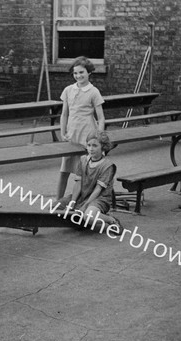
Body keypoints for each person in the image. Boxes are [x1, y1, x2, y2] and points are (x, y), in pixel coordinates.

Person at [57, 56, 106, 199]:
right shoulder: (68, 90)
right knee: (64, 170)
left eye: (81, 72)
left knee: (84, 172)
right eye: (75, 73)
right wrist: (62, 132)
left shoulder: (93, 91)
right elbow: (64, 114)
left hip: (87, 135)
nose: (78, 76)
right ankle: (58, 202)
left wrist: (99, 137)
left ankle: (80, 201)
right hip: (72, 135)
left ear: (89, 72)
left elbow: (101, 118)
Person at [57, 131, 122, 232]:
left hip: (99, 199)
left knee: (89, 216)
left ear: (103, 147)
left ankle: (110, 219)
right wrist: (73, 202)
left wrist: (85, 205)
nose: (91, 149)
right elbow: (78, 183)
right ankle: (82, 220)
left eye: (95, 145)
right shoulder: (83, 160)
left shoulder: (107, 166)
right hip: (82, 196)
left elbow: (98, 189)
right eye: (89, 145)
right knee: (53, 207)